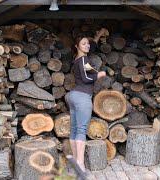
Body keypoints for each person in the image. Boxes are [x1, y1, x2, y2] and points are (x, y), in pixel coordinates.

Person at [65, 28, 108, 175]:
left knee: (74, 130)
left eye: (88, 44)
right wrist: (99, 75)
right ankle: (80, 164)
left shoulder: (76, 59)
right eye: (84, 44)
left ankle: (75, 162)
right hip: (82, 97)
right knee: (81, 130)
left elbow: (92, 46)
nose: (87, 46)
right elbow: (85, 79)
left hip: (73, 96)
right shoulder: (83, 59)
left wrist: (97, 36)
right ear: (77, 46)